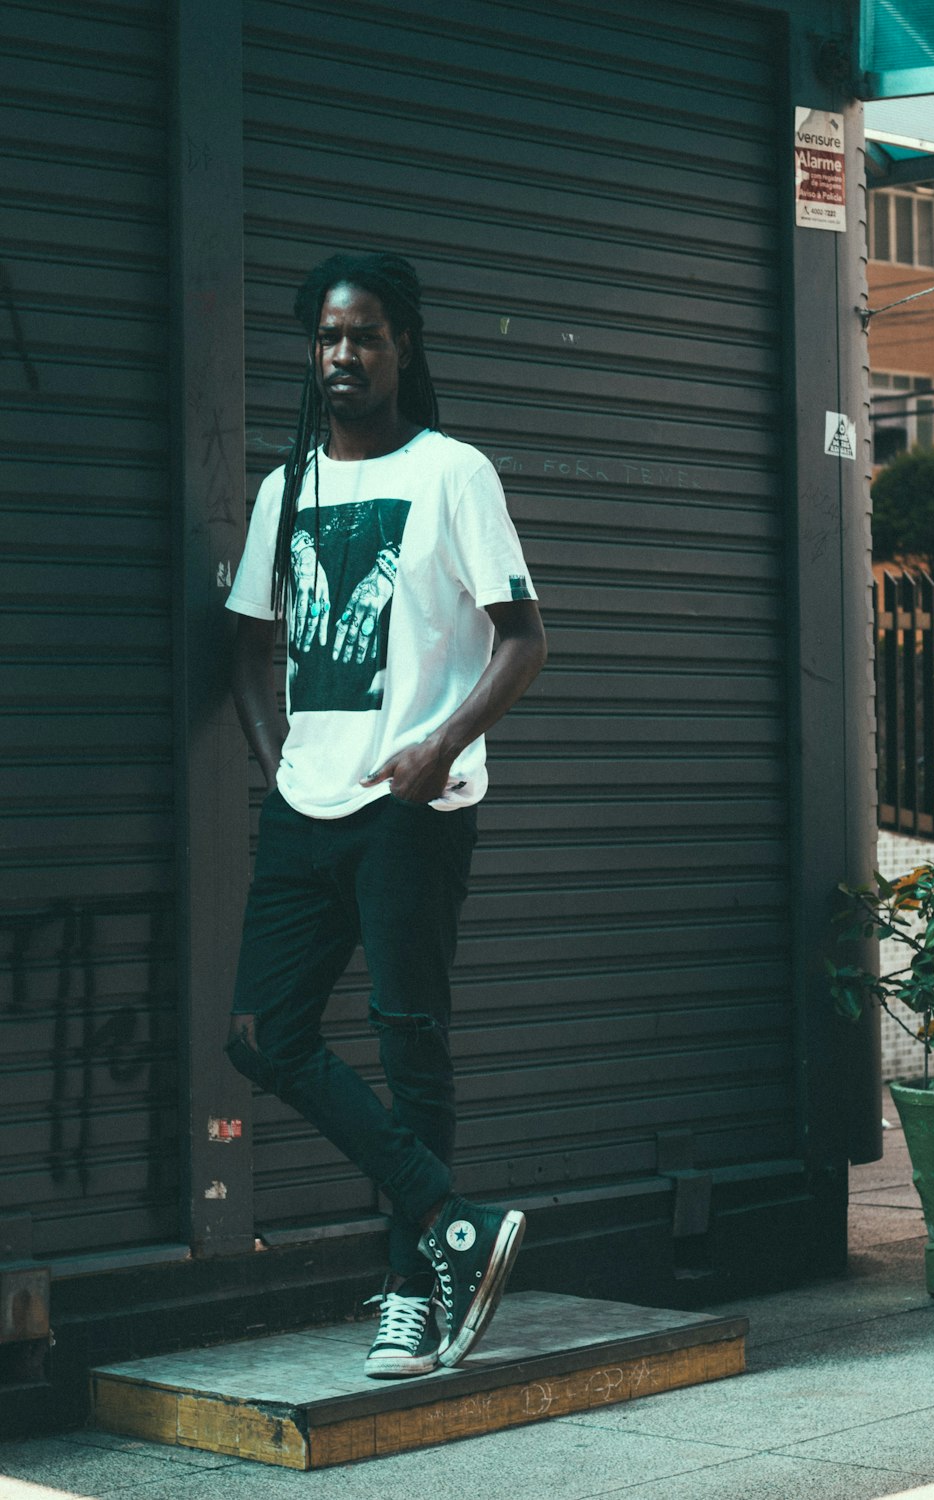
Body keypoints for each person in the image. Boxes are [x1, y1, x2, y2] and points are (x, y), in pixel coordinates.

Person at [223, 251, 547, 1380]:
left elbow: (523, 639)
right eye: (325, 338)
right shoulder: (287, 489)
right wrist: (275, 768)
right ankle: (453, 1223)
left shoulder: (454, 474)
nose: (342, 356)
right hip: (308, 805)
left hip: (415, 805)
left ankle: (415, 1293)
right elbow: (249, 644)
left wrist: (438, 747)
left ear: (402, 346)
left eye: (363, 335)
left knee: (410, 1042)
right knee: (262, 1035)